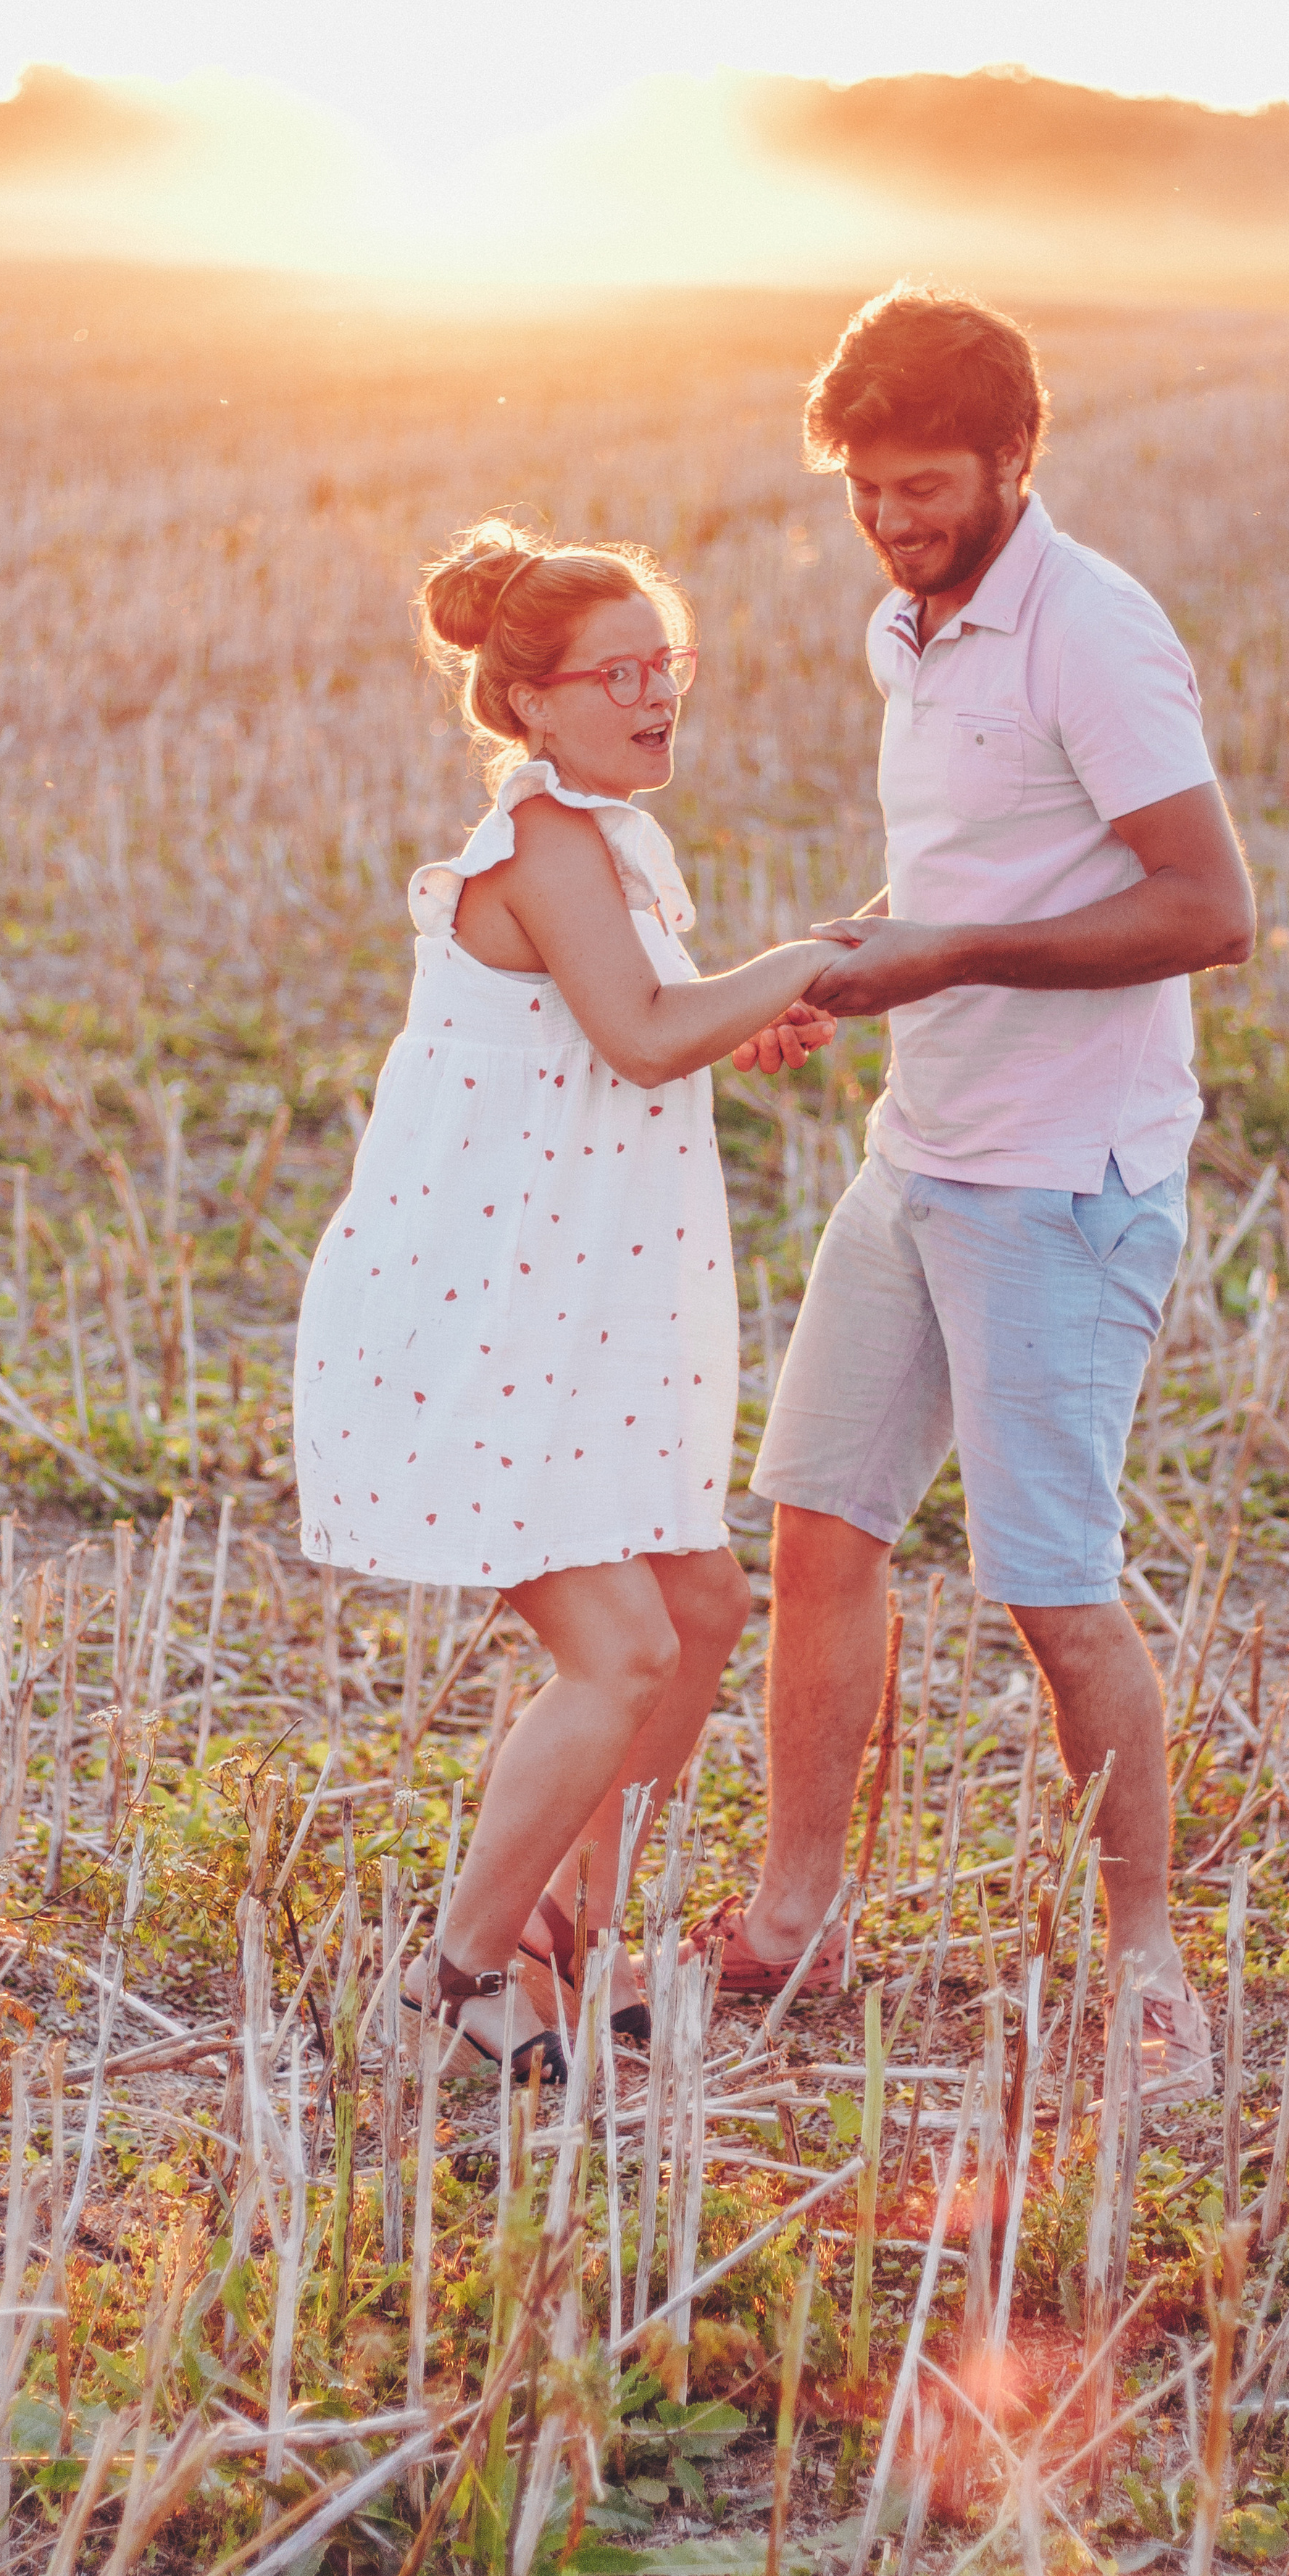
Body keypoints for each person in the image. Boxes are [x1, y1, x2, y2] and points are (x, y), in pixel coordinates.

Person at [694, 286, 1256, 2102]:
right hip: (916, 1156)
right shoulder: (907, 625)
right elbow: (971, 870)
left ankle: (1148, 1970)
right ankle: (793, 1916)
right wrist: (846, 954)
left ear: (1015, 454)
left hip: (1059, 1186)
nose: (889, 522)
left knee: (1050, 1592)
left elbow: (1206, 910)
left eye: (922, 487)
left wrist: (937, 961)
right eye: (863, 491)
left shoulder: (1092, 630)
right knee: (815, 1532)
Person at [293, 518, 840, 2071]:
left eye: (669, 664)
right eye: (619, 675)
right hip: (477, 1314)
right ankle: (454, 1985)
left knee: (700, 1604)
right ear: (530, 701)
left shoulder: (601, 841)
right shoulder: (539, 839)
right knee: (623, 1652)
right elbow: (640, 1035)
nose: (657, 696)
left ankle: (574, 1939)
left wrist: (740, 1013)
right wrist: (809, 959)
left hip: (568, 1298)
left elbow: (640, 1023)